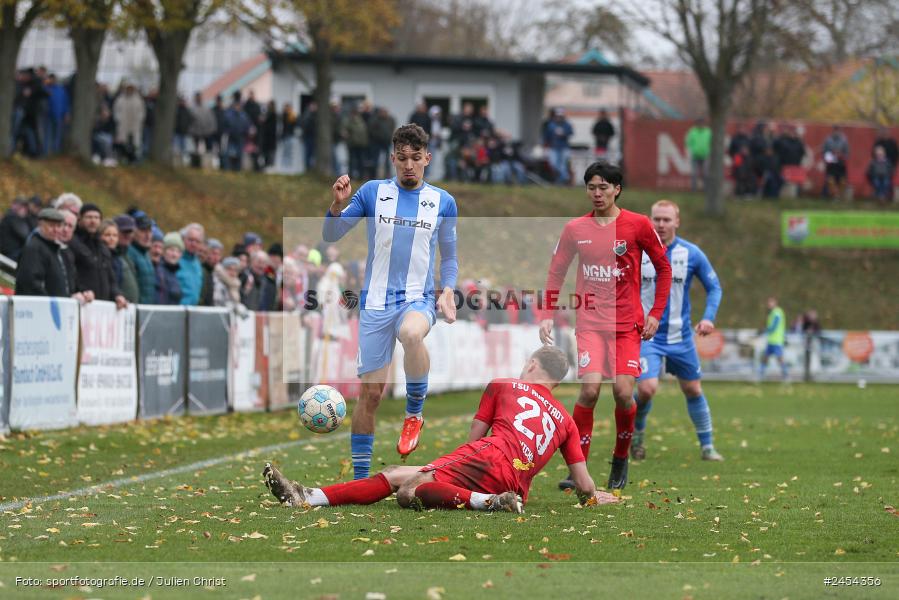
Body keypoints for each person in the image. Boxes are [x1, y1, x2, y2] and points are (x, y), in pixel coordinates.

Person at [262, 346, 619, 511]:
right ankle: (310, 496)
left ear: (530, 364)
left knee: (410, 491)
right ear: (557, 381)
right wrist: (594, 497)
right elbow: (583, 484)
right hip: (516, 480)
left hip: (487, 457)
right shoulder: (566, 420)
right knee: (397, 473)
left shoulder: (503, 384)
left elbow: (474, 440)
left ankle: (488, 502)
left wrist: (453, 470)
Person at [323, 123, 458, 478]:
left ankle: (414, 412)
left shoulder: (443, 201)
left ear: (427, 158)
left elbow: (450, 255)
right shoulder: (372, 192)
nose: (409, 165)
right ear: (392, 159)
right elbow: (331, 234)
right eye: (402, 158)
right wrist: (336, 208)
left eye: (416, 158)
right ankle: (360, 480)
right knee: (370, 397)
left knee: (412, 335)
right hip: (374, 305)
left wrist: (447, 289)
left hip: (417, 298)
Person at [539, 161, 672, 491]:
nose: (596, 194)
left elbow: (663, 269)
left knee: (624, 393)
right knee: (589, 389)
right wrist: (546, 313)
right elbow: (556, 272)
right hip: (590, 323)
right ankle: (577, 468)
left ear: (617, 190)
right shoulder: (575, 229)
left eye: (603, 187)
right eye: (591, 187)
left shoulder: (638, 225)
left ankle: (621, 456)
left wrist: (655, 312)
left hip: (627, 325)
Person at [632, 200, 724, 462]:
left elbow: (714, 287)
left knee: (693, 389)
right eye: (656, 219)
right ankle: (638, 432)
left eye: (666, 219)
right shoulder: (638, 252)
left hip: (680, 337)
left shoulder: (691, 253)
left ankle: (707, 446)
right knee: (648, 388)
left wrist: (708, 318)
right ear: (650, 220)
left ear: (677, 222)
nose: (661, 224)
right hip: (646, 336)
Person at [69, 203, 127, 307]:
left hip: (101, 308)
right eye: (89, 217)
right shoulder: (72, 243)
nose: (93, 221)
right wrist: (82, 290)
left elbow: (111, 279)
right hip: (82, 304)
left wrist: (117, 295)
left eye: (96, 217)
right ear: (79, 219)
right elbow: (71, 274)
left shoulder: (103, 248)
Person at [14, 208, 70, 297]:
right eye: (51, 226)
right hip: (41, 307)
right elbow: (30, 283)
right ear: (40, 225)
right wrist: (50, 303)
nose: (56, 230)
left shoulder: (56, 248)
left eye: (59, 226)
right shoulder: (33, 248)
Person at [128, 215, 157, 304]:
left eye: (150, 231)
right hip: (135, 310)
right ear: (134, 232)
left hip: (146, 310)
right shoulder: (129, 253)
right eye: (143, 231)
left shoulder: (146, 254)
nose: (148, 235)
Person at [759, 297, 788, 381]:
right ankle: (760, 373)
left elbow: (775, 325)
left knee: (779, 358)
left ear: (775, 303)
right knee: (765, 357)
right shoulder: (772, 313)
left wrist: (766, 330)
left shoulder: (777, 312)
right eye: (768, 302)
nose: (769, 304)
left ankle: (785, 374)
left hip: (777, 340)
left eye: (771, 302)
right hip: (771, 340)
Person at [543, 108, 573, 185]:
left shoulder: (567, 124)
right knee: (553, 164)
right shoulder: (551, 125)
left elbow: (571, 133)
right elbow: (546, 136)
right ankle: (565, 177)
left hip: (564, 147)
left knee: (562, 165)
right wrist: (544, 145)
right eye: (558, 116)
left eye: (561, 116)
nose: (559, 117)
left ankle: (560, 181)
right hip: (553, 147)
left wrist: (564, 133)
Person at [177, 223, 204, 305]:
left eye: (197, 241)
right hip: (176, 311)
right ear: (183, 239)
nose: (194, 244)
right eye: (191, 240)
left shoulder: (197, 264)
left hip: (192, 313)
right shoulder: (176, 260)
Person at [156, 233, 184, 305]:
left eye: (178, 251)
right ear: (164, 251)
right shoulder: (159, 271)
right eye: (171, 250)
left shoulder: (174, 273)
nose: (174, 254)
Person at [822, 126, 849, 200]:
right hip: (831, 165)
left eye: (838, 130)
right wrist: (832, 155)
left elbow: (847, 154)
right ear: (833, 131)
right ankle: (834, 195)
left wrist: (841, 155)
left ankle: (839, 195)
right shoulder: (828, 140)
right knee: (830, 180)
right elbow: (824, 152)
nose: (837, 132)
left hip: (841, 165)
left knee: (843, 181)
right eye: (835, 130)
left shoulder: (844, 140)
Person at [685, 118, 711, 192]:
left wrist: (709, 152)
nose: (701, 125)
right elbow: (687, 142)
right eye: (699, 123)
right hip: (694, 156)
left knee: (706, 174)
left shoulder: (708, 132)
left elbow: (712, 143)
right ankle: (694, 190)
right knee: (694, 174)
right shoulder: (692, 132)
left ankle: (706, 189)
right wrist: (690, 151)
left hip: (705, 156)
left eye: (702, 123)